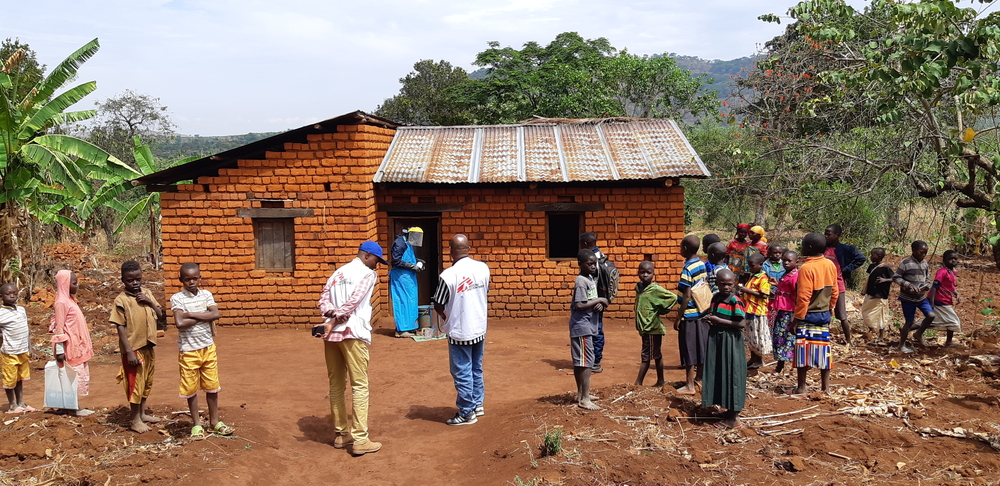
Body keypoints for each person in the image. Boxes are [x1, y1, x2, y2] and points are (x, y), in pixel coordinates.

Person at [317, 241, 387, 455]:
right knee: (359, 385)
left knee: (336, 384)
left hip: (331, 335)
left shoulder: (338, 273)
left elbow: (323, 300)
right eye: (376, 260)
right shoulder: (367, 274)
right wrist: (338, 317)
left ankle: (341, 434)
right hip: (353, 333)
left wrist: (330, 317)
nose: (377, 265)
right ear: (367, 255)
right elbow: (354, 301)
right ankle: (360, 439)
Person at [170, 263, 233, 440]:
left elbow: (215, 314)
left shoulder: (206, 295)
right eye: (187, 279)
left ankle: (214, 422)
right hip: (188, 350)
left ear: (200, 278)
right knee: (191, 389)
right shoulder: (177, 298)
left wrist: (190, 314)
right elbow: (179, 323)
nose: (191, 282)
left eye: (194, 278)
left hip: (208, 347)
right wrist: (203, 316)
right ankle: (197, 425)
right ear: (181, 280)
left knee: (212, 387)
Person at [434, 234, 491, 424]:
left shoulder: (448, 275)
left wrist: (444, 316)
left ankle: (467, 412)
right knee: (476, 367)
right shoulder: (483, 268)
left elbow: (438, 304)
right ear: (468, 248)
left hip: (460, 331)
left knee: (461, 370)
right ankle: (477, 404)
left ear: (451, 252)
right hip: (479, 327)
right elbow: (485, 291)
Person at [112, 260, 164, 433]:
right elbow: (120, 327)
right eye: (130, 280)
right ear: (123, 280)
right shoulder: (121, 300)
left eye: (138, 279)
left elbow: (160, 313)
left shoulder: (147, 293)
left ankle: (142, 413)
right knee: (135, 384)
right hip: (134, 349)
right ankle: (134, 420)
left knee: (146, 382)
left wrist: (149, 302)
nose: (134, 283)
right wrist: (128, 352)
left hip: (148, 346)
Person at [790, 233, 839, 395]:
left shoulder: (806, 268)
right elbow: (835, 291)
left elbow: (803, 296)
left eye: (802, 245)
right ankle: (825, 388)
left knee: (803, 350)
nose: (801, 248)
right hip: (823, 315)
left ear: (809, 248)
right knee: (824, 350)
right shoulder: (830, 265)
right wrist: (830, 309)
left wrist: (797, 318)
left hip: (808, 315)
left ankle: (802, 387)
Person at [702, 268, 747, 429]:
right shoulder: (715, 298)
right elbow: (714, 315)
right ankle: (726, 411)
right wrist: (711, 320)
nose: (726, 287)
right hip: (717, 339)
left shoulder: (735, 301)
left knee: (732, 373)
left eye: (729, 284)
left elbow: (741, 324)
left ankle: (733, 418)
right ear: (716, 283)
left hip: (731, 341)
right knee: (719, 371)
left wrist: (719, 321)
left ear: (734, 283)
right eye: (723, 284)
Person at [566, 249, 607, 410]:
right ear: (580, 264)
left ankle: (582, 393)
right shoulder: (581, 281)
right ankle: (584, 399)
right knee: (586, 362)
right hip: (582, 327)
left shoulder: (589, 278)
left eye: (594, 263)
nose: (593, 266)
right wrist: (601, 299)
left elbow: (588, 301)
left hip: (588, 325)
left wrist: (596, 303)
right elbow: (580, 304)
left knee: (582, 362)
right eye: (589, 264)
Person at [49, 270, 94, 416]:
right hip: (70, 347)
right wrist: (60, 350)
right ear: (64, 284)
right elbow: (59, 328)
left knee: (72, 375)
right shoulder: (61, 302)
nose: (77, 286)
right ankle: (73, 407)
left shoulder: (69, 300)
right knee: (72, 376)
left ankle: (68, 406)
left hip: (77, 345)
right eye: (74, 283)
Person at [633, 261, 678, 387]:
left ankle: (638, 383)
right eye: (642, 272)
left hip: (652, 328)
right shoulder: (639, 288)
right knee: (656, 354)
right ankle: (661, 380)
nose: (645, 275)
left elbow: (673, 298)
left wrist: (661, 310)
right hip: (645, 328)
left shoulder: (655, 289)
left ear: (653, 274)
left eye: (648, 272)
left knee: (646, 356)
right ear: (638, 273)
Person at [578, 232, 618, 374]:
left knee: (595, 331)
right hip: (600, 301)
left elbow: (596, 282)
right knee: (596, 330)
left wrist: (601, 301)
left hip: (594, 302)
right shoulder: (602, 257)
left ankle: (595, 361)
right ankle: (594, 360)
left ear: (585, 244)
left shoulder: (592, 260)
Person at [675, 235, 709, 395]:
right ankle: (700, 378)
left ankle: (689, 385)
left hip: (689, 315)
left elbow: (687, 295)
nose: (680, 249)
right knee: (700, 347)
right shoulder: (701, 264)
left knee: (689, 349)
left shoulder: (687, 268)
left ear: (686, 249)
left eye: (681, 247)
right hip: (701, 312)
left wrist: (678, 316)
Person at [824, 224, 866, 344]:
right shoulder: (822, 248)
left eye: (829, 234)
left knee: (842, 314)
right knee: (825, 310)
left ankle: (848, 340)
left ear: (838, 235)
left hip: (838, 283)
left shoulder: (845, 249)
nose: (826, 236)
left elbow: (861, 258)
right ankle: (825, 337)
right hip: (823, 285)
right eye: (825, 233)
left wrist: (846, 269)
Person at [893, 240, 935, 352]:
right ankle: (901, 345)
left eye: (925, 253)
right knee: (909, 321)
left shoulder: (925, 263)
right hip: (908, 298)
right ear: (914, 251)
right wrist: (908, 285)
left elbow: (927, 277)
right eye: (921, 252)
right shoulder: (905, 263)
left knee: (931, 316)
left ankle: (918, 333)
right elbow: (896, 277)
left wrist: (927, 285)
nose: (924, 255)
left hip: (921, 297)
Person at [0, 283, 32, 414]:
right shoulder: (1, 313)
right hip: (10, 352)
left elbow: (26, 330)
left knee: (20, 378)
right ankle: (12, 405)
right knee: (10, 379)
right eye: (8, 294)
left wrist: (30, 346)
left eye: (15, 293)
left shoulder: (21, 310)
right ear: (1, 296)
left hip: (23, 350)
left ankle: (21, 403)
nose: (12, 296)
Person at [390, 227, 426, 338]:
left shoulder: (408, 244)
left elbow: (407, 258)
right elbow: (395, 260)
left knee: (410, 301)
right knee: (402, 301)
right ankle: (401, 330)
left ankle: (409, 327)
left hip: (408, 278)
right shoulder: (400, 243)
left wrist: (418, 262)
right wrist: (412, 266)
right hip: (401, 278)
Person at [738, 253, 772, 370]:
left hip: (758, 311)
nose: (750, 268)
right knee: (751, 335)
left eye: (752, 265)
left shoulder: (763, 278)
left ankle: (758, 360)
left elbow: (764, 295)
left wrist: (747, 290)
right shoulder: (753, 276)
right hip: (750, 309)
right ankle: (753, 358)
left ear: (760, 265)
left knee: (757, 335)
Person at [772, 250, 799, 373]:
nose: (786, 263)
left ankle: (781, 366)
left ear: (796, 262)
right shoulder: (785, 274)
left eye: (789, 261)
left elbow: (798, 296)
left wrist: (795, 314)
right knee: (780, 337)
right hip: (782, 310)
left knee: (784, 338)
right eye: (784, 261)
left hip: (789, 312)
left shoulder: (795, 277)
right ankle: (781, 364)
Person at [928, 250, 961, 347]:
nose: (953, 261)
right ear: (944, 261)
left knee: (931, 320)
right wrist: (932, 302)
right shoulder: (942, 272)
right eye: (950, 259)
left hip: (946, 299)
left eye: (955, 259)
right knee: (953, 320)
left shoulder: (953, 272)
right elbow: (934, 286)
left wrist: (956, 293)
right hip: (940, 300)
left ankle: (909, 329)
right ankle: (949, 341)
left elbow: (948, 286)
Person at [861, 248, 893, 343]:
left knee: (881, 316)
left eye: (872, 255)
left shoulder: (886, 268)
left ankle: (881, 335)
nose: (871, 257)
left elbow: (895, 278)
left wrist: (885, 280)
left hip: (881, 295)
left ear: (879, 256)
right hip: (871, 294)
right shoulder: (871, 266)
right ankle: (872, 329)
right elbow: (869, 278)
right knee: (865, 312)